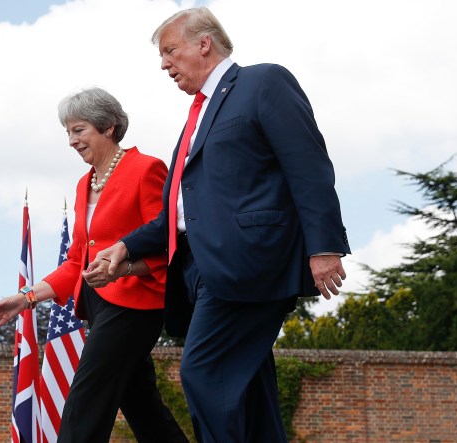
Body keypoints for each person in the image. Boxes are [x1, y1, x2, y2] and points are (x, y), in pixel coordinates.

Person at [87, 7, 351, 443]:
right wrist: (127, 248)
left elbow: (309, 166)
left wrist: (323, 247)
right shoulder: (196, 117)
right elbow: (179, 212)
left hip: (250, 263)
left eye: (171, 51)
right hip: (201, 273)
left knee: (204, 373)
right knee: (249, 389)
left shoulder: (263, 82)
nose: (164, 64)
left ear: (204, 44)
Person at [0, 87, 188, 443]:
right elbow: (76, 261)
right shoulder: (84, 184)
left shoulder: (146, 168)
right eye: (68, 132)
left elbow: (166, 241)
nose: (71, 140)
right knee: (141, 404)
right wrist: (27, 298)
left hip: (137, 302)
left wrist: (123, 268)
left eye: (79, 130)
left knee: (87, 396)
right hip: (99, 305)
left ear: (108, 126)